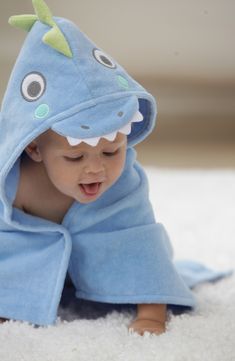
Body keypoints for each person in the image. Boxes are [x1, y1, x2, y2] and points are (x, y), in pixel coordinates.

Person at [0, 0, 196, 335]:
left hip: (95, 264)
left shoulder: (123, 183)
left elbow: (139, 244)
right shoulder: (12, 186)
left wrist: (152, 313)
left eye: (111, 151)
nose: (97, 170)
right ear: (33, 148)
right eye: (75, 158)